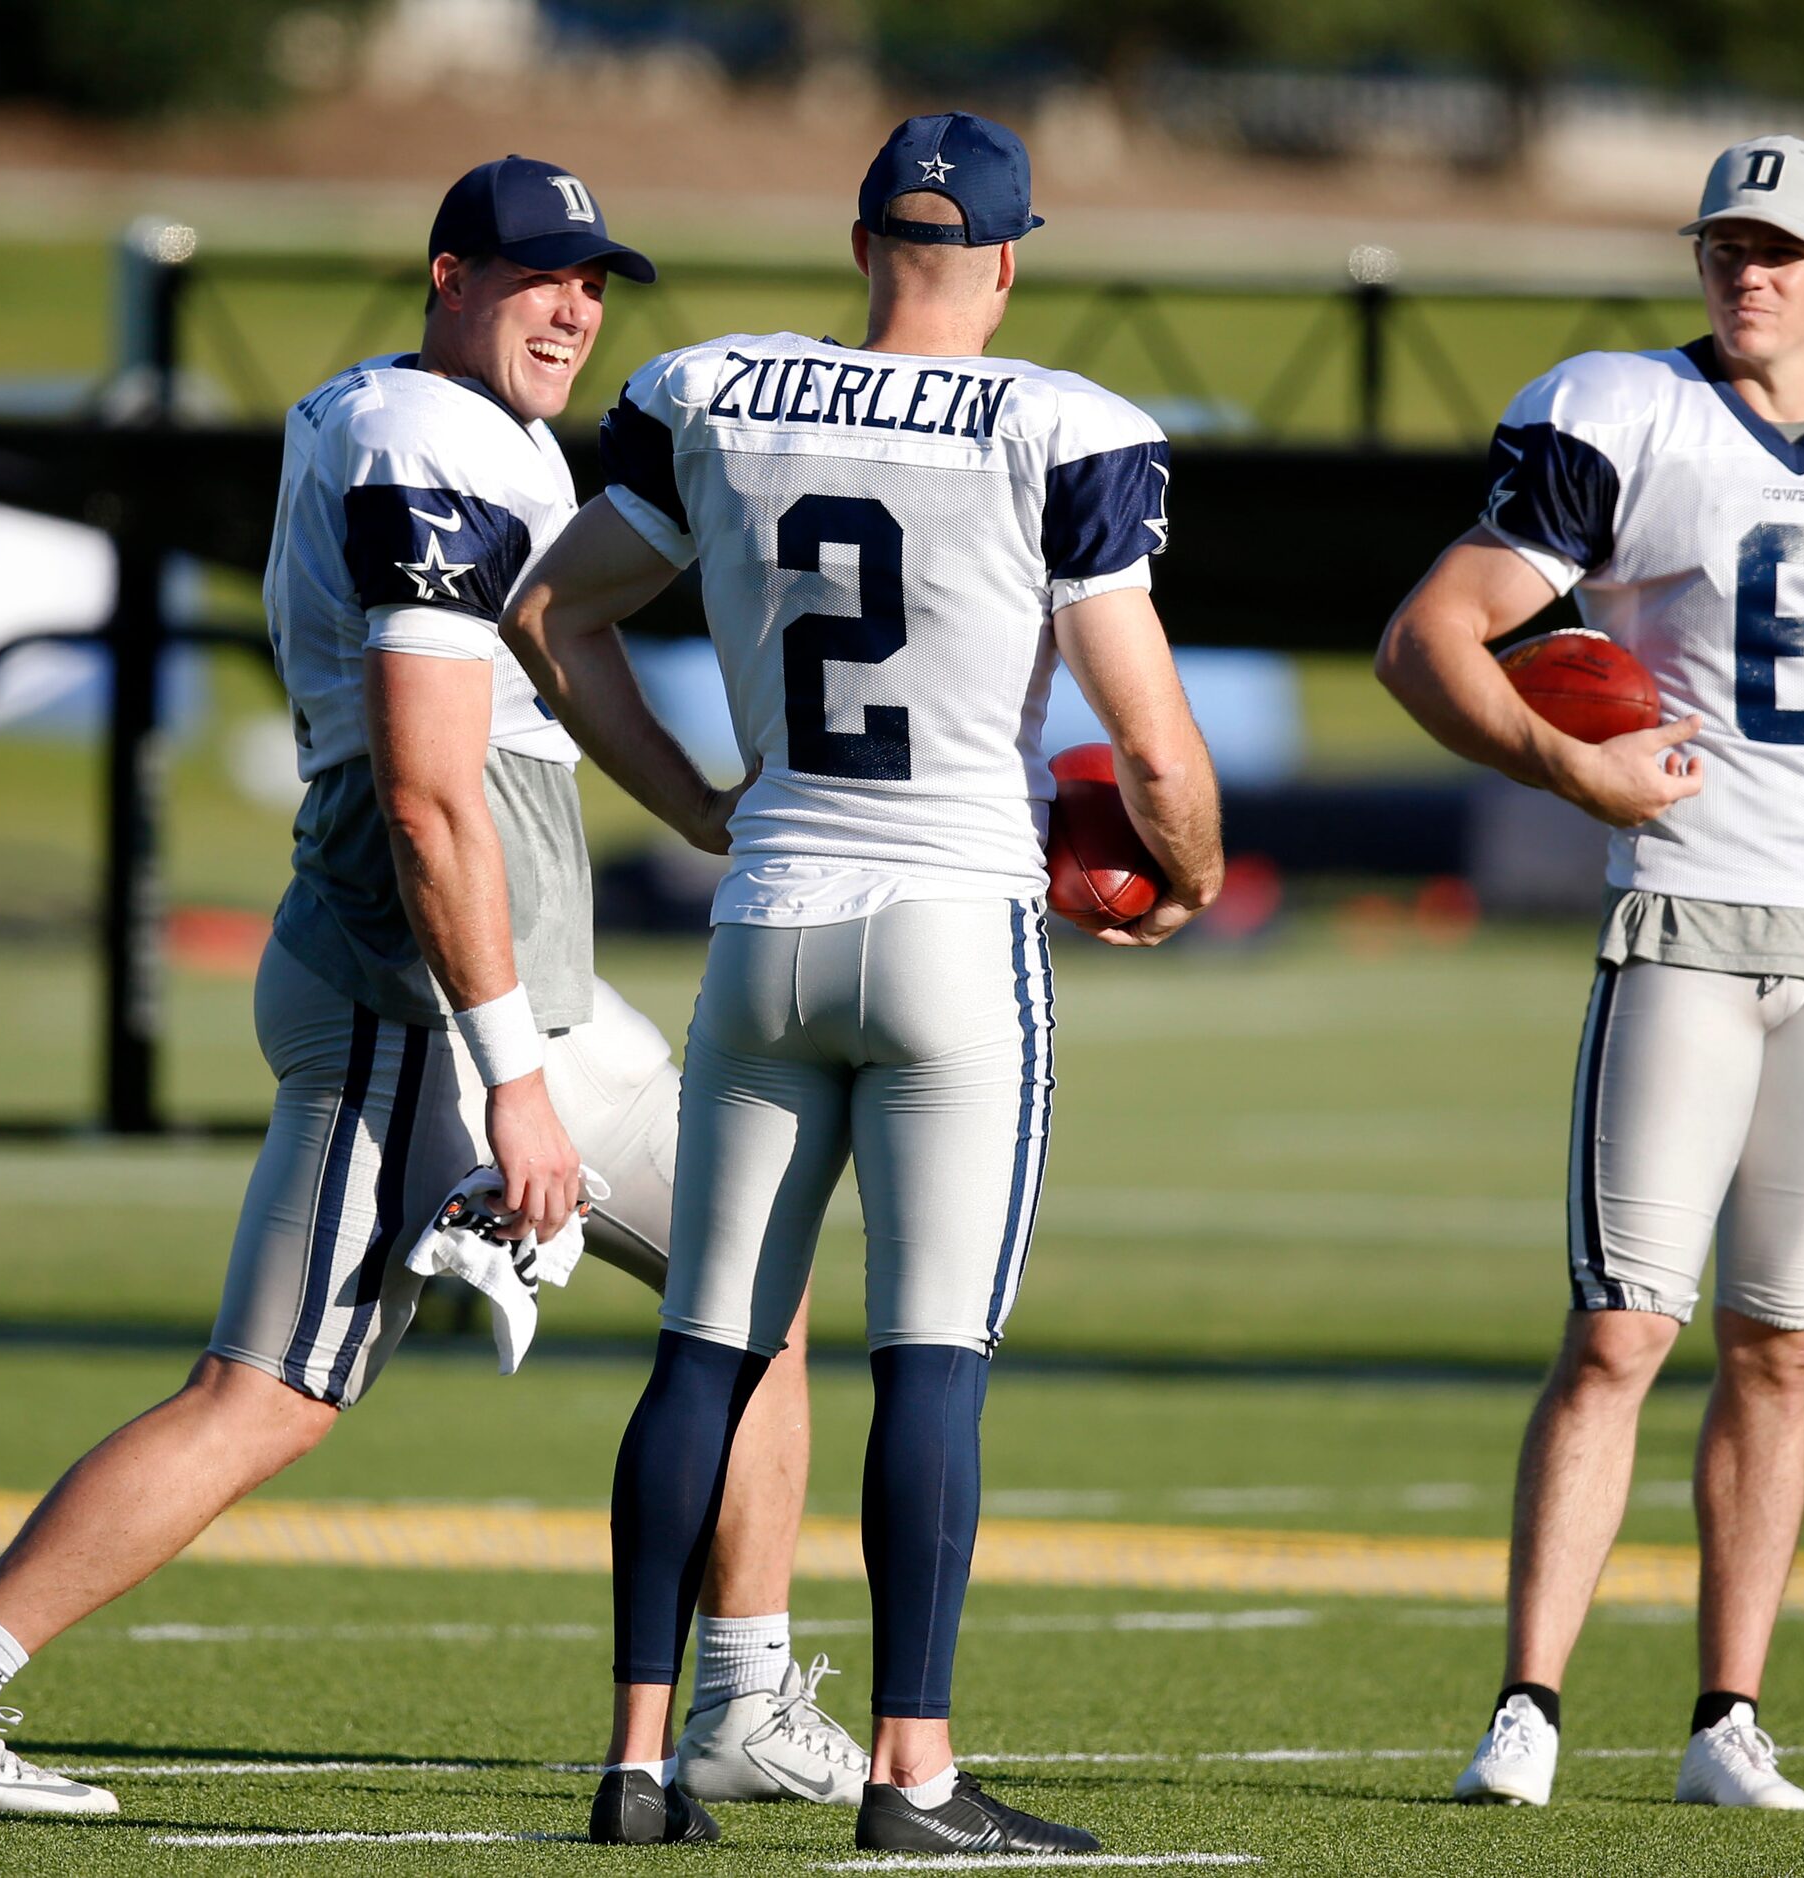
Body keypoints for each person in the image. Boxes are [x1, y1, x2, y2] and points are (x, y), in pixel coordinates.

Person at [0, 155, 864, 1818]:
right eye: (540, 277)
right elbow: (435, 797)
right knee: (272, 1392)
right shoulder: (417, 444)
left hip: (525, 998)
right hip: (413, 995)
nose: (576, 309)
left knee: (764, 1277)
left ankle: (738, 1692)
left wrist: (702, 814)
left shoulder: (477, 432)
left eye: (595, 281)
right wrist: (510, 1079)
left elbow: (547, 676)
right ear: (446, 273)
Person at [503, 112, 1223, 1850]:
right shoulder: (1060, 424)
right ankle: (911, 1768)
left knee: (702, 1351)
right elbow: (1151, 737)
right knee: (932, 1364)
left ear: (857, 247)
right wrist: (1184, 876)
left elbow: (551, 612)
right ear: (1005, 261)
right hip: (952, 929)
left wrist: (691, 798)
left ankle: (636, 1758)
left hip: (768, 920)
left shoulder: (723, 392)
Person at [1376, 135, 1804, 1811]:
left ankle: (1724, 1718)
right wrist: (1571, 767)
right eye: (1722, 245)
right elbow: (1427, 636)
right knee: (1622, 1328)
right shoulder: (1628, 412)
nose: (1744, 272)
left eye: (1780, 249)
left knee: (1783, 1346)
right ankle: (1530, 1703)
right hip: (1688, 912)